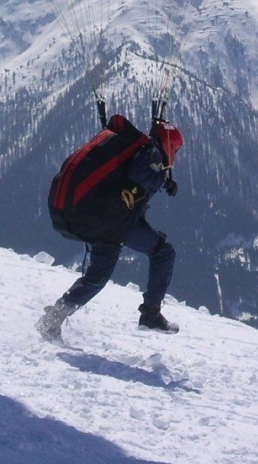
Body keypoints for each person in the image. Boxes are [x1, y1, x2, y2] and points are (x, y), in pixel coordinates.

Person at [36, 120, 183, 342]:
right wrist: (161, 178)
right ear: (171, 146)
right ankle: (151, 315)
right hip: (108, 222)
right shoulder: (150, 154)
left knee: (96, 277)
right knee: (163, 253)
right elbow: (138, 174)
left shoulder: (132, 147)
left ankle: (54, 318)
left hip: (93, 215)